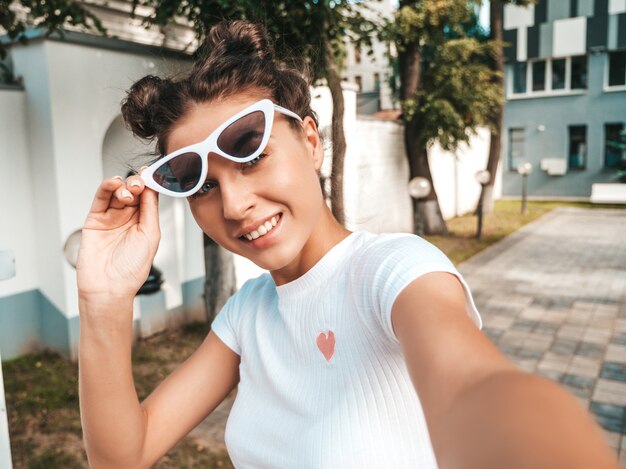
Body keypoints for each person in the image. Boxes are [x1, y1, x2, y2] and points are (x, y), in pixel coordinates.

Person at [77, 20, 618, 469]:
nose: (235, 204)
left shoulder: (394, 272)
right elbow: (122, 457)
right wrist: (103, 301)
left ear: (310, 141)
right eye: (205, 185)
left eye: (250, 152)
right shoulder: (247, 316)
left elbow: (478, 391)